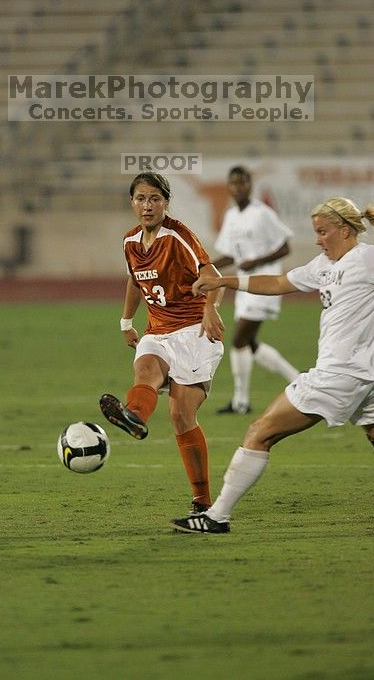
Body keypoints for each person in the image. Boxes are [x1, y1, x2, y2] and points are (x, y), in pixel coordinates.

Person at [171, 196, 374, 533]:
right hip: (368, 375)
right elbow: (279, 283)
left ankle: (215, 517)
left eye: (323, 232)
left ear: (346, 231)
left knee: (258, 433)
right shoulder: (324, 265)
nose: (318, 239)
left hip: (339, 375)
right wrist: (225, 282)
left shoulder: (369, 258)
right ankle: (215, 517)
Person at [99, 172, 225, 513]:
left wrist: (211, 310)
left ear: (166, 202)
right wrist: (126, 322)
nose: (147, 206)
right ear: (132, 203)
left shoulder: (179, 236)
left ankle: (202, 502)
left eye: (154, 199)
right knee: (145, 371)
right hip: (158, 332)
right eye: (140, 199)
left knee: (181, 415)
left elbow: (212, 277)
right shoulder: (130, 242)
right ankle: (134, 417)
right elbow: (134, 281)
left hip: (195, 333)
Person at [213, 165, 299, 415]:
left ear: (251, 185)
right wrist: (205, 266)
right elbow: (231, 255)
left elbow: (285, 248)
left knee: (239, 339)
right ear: (228, 186)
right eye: (233, 183)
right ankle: (298, 379)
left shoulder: (262, 213)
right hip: (244, 285)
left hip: (266, 284)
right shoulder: (231, 216)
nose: (238, 187)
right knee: (249, 342)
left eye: (242, 182)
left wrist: (257, 261)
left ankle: (241, 401)